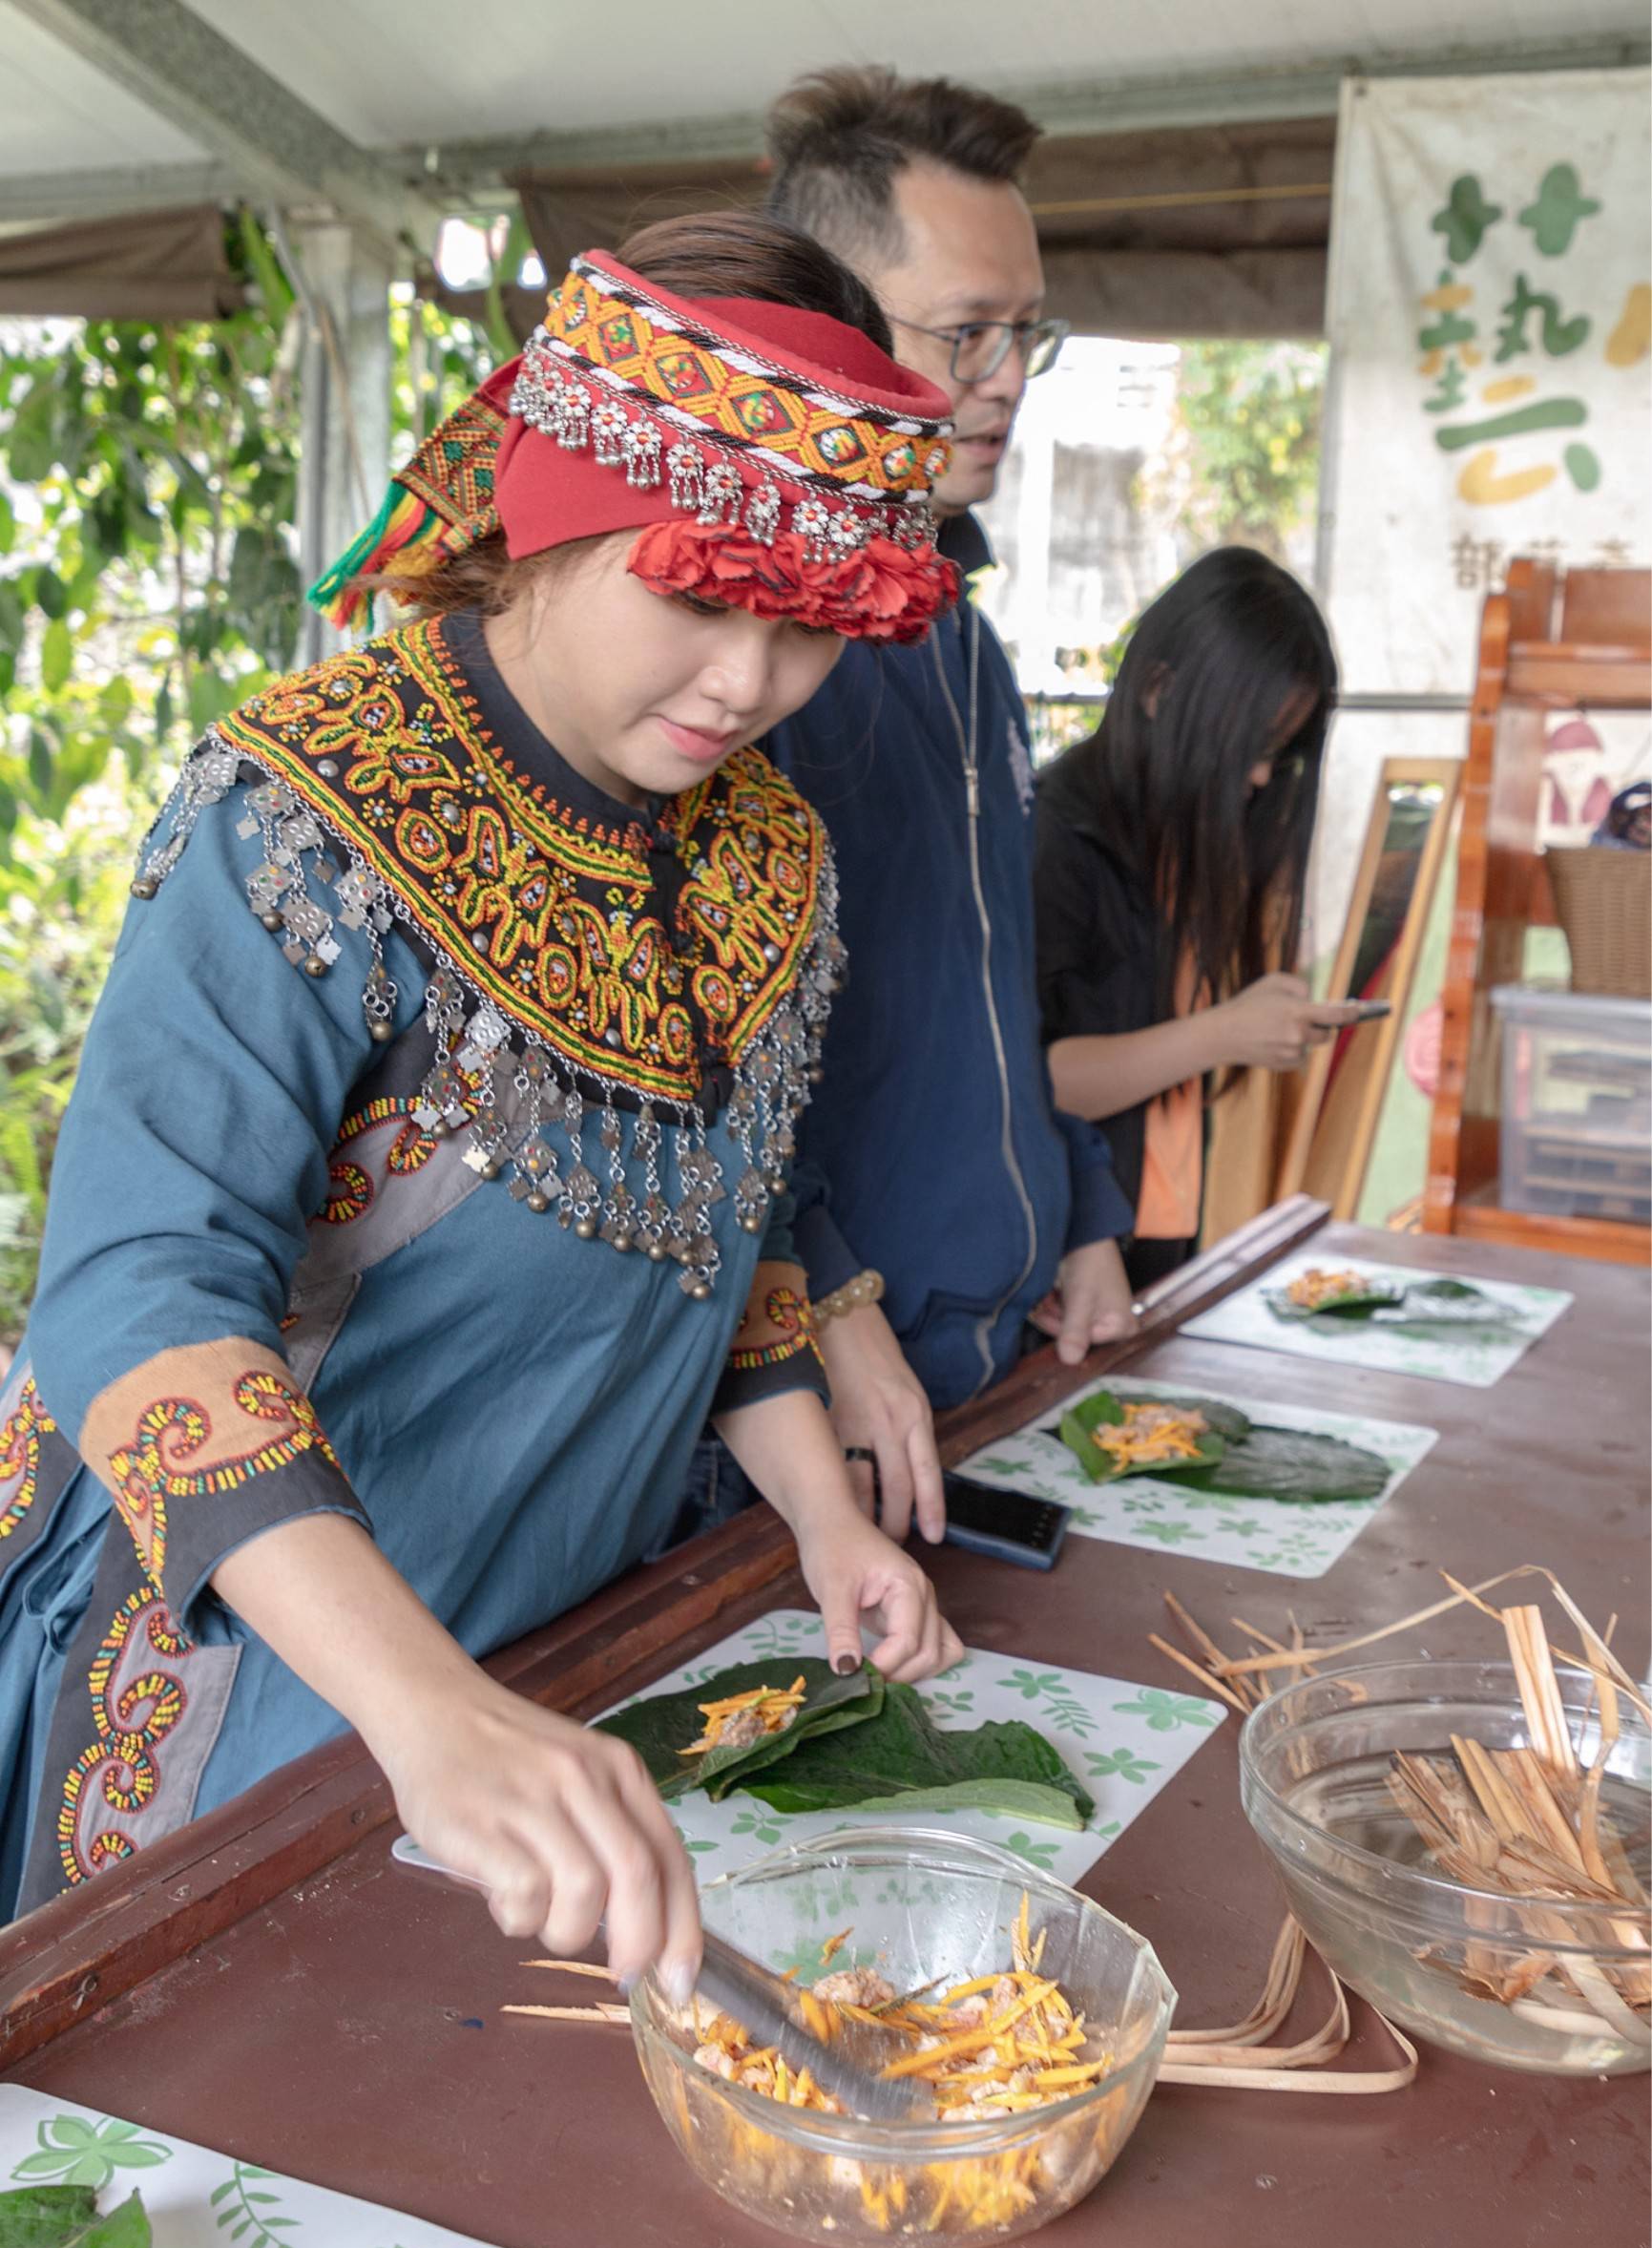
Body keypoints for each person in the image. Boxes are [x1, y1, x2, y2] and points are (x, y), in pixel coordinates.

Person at [0, 213, 966, 1992]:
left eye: (807, 627)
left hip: (552, 1654)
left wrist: (821, 1516)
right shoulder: (302, 810)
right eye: (692, 593)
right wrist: (430, 1708)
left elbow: (718, 1222)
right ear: (553, 511)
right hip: (276, 1676)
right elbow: (135, 1301)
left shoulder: (772, 856)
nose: (747, 684)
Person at [754, 68, 1138, 1548]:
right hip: (819, 1423)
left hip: (997, 1368)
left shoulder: (965, 644)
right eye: (961, 331)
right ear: (828, 326)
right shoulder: (745, 667)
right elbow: (710, 1054)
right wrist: (826, 1310)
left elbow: (991, 989)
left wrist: (1085, 1205)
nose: (1003, 377)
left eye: (1022, 330)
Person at [1034, 546, 1349, 1290]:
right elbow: (1032, 1079)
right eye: (1248, 746)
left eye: (1277, 750)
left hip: (1157, 1239)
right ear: (1158, 689)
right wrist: (1224, 1032)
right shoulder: (1053, 831)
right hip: (1067, 1263)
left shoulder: (1190, 841)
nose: (1262, 775)